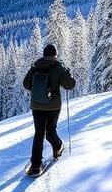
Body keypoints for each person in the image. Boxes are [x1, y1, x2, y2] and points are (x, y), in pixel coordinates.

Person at [22, 44, 76, 175]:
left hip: (37, 105)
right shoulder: (58, 67)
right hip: (53, 106)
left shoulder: (35, 66)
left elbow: (26, 83)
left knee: (39, 133)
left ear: (44, 54)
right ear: (55, 54)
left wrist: (39, 91)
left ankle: (36, 165)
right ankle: (58, 147)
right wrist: (67, 73)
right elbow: (70, 85)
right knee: (50, 130)